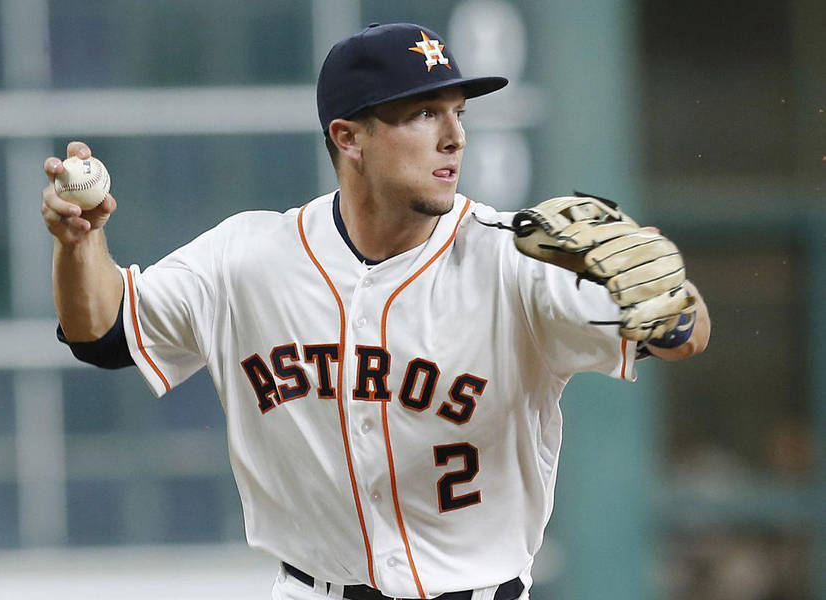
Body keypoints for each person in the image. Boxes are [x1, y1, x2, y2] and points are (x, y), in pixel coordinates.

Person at [41, 23, 709, 600]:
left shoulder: (513, 259)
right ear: (348, 137)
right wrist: (79, 244)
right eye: (423, 114)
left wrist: (671, 296)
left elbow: (681, 336)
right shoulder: (247, 258)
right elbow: (103, 333)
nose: (454, 138)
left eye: (459, 113)